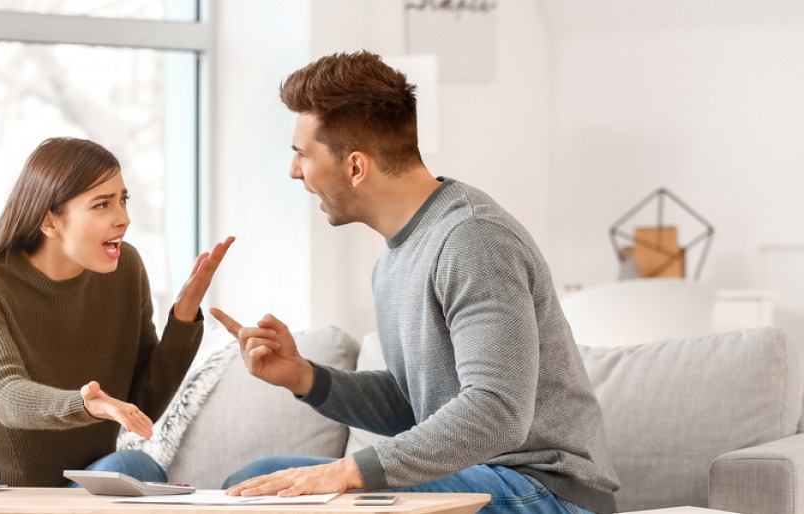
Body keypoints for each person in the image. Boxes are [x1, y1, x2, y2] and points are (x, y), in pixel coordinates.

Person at [210, 50, 621, 514]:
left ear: (356, 167)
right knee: (248, 484)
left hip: (544, 489)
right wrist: (307, 378)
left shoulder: (473, 239)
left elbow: (497, 414)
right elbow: (419, 407)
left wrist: (346, 471)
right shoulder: (395, 258)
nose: (294, 171)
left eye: (302, 154)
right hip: (480, 476)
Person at [0, 137, 234, 487]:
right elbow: (6, 396)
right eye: (101, 205)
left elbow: (141, 406)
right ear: (49, 222)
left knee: (133, 465)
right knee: (134, 470)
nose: (123, 218)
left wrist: (184, 317)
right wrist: (86, 404)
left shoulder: (126, 269)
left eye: (123, 200)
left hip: (81, 481)